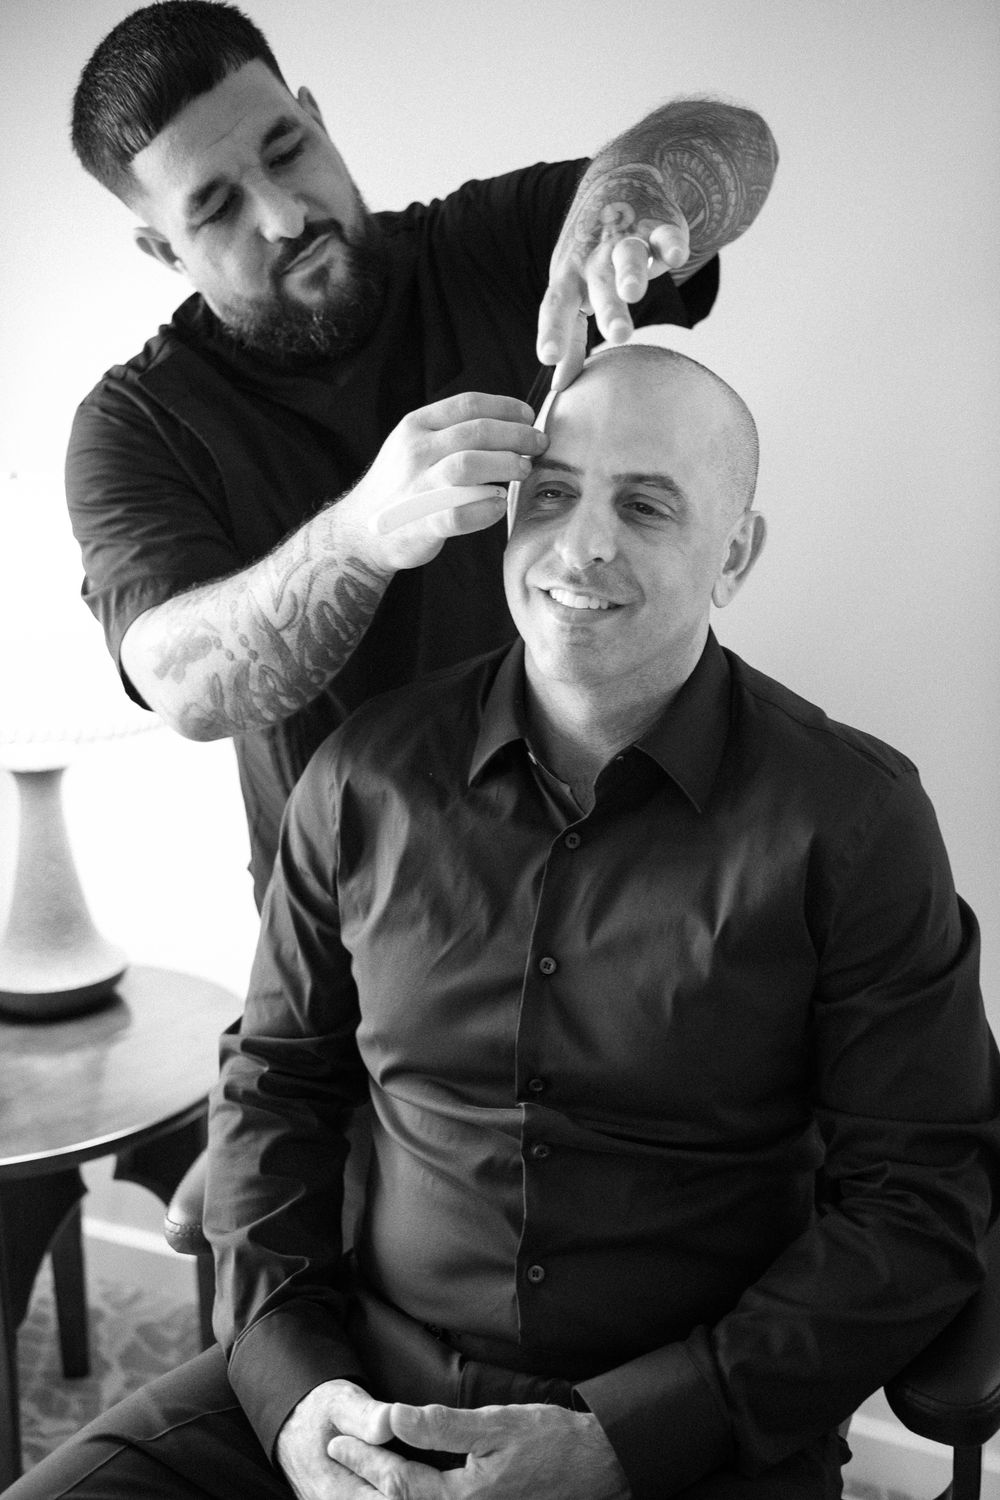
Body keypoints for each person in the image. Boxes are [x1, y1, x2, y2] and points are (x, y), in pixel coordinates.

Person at [14, 345, 999, 1499]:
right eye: (551, 493)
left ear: (733, 555)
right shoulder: (363, 775)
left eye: (644, 505)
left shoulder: (854, 820)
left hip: (685, 1436)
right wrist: (295, 1393)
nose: (581, 546)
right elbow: (275, 1084)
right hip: (354, 1391)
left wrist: (621, 1441)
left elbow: (918, 1197)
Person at [67, 0, 779, 905]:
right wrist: (362, 534)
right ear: (161, 248)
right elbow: (184, 691)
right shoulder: (137, 424)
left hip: (615, 873)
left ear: (316, 118)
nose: (284, 216)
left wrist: (632, 191)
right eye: (215, 207)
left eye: (287, 151)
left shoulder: (487, 248)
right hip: (351, 913)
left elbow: (734, 143)